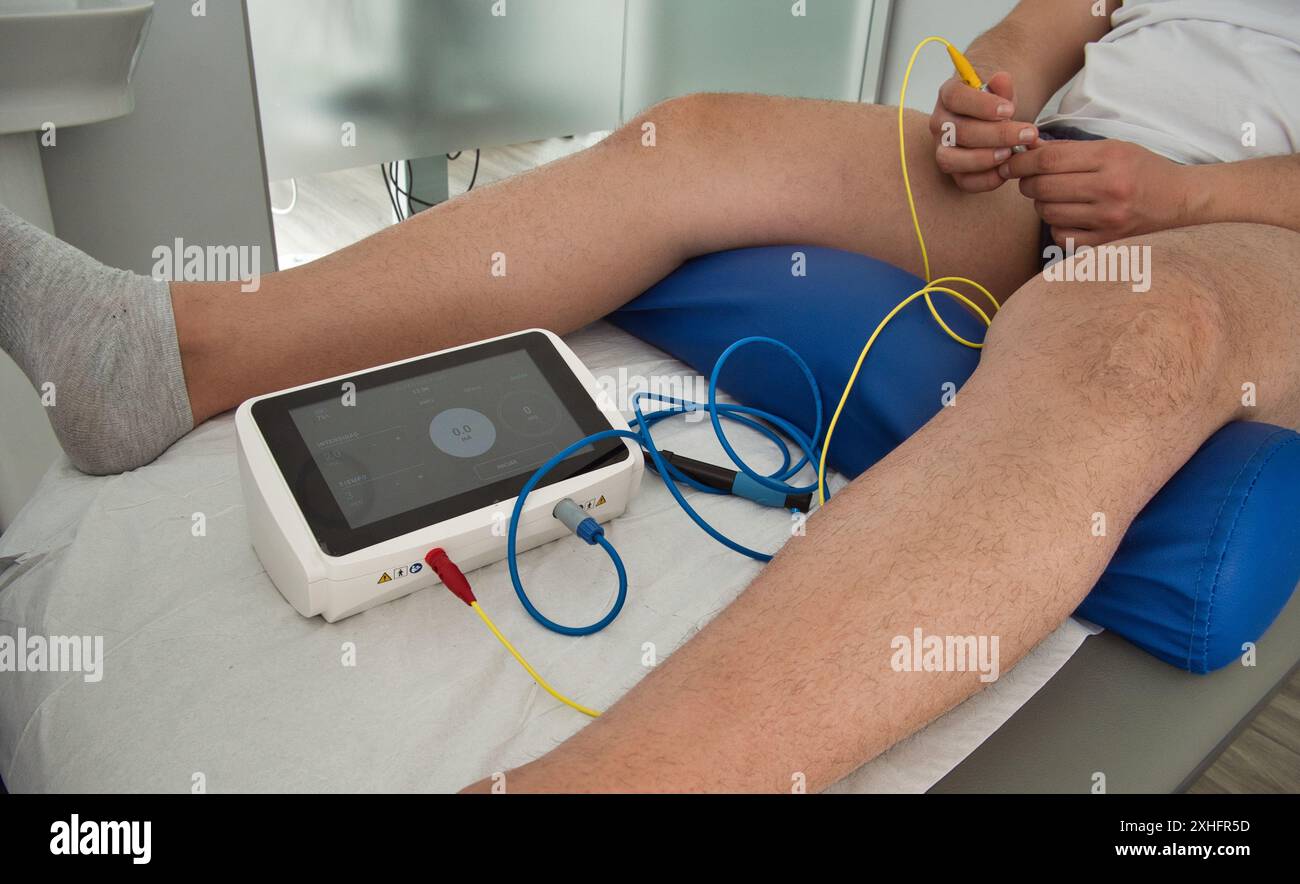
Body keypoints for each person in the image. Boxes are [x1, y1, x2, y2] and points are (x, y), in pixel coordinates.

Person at [1, 0, 1298, 792]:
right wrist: (983, 105)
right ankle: (173, 352)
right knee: (704, 133)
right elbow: (1031, 33)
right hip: (1062, 176)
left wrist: (1193, 199)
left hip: (1250, 226)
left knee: (1136, 331)